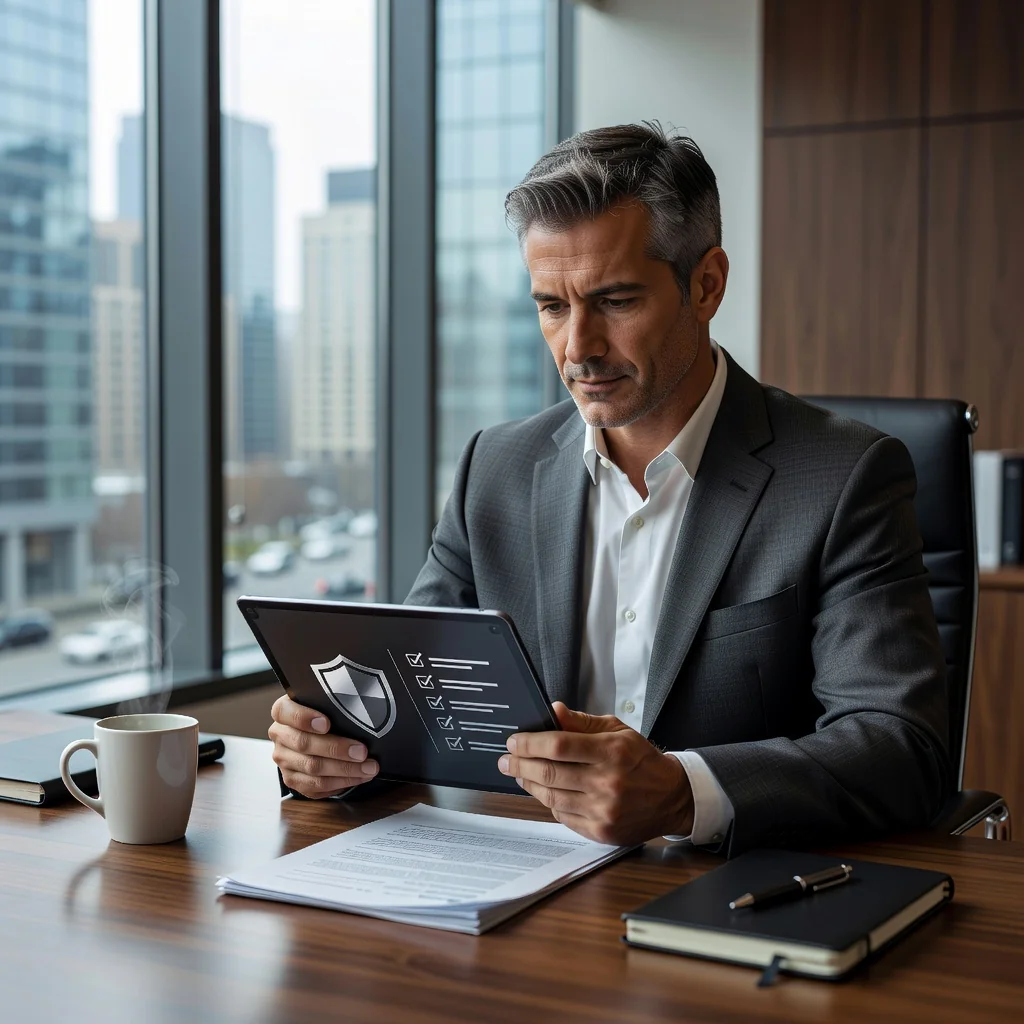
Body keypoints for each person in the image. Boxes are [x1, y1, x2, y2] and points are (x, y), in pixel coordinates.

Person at [269, 122, 950, 856]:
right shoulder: (491, 470)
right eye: (552, 307)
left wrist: (683, 792)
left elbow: (899, 747)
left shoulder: (844, 477)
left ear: (706, 285)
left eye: (616, 302)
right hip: (520, 888)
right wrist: (334, 754)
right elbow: (409, 705)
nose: (578, 349)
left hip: (733, 904)